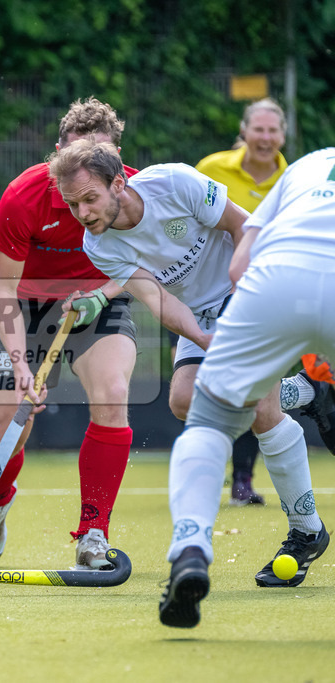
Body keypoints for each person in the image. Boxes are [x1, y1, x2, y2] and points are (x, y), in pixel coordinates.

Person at [46, 140, 330, 627]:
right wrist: (203, 336)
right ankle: (305, 393)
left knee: (259, 408)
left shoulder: (174, 182)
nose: (83, 213)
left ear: (119, 183)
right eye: (73, 205)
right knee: (184, 400)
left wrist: (243, 310)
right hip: (201, 314)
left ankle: (306, 530)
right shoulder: (99, 245)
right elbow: (158, 298)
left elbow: (242, 226)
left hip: (251, 285)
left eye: (90, 198)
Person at [155, 147, 335, 627]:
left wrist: (245, 322)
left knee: (218, 416)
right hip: (229, 303)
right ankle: (310, 391)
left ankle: (192, 550)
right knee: (189, 400)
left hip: (266, 289)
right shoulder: (104, 224)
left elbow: (243, 250)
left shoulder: (304, 166)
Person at [0, 97, 137, 571]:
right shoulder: (23, 197)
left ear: (115, 161)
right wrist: (20, 364)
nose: (85, 170)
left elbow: (142, 262)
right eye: (75, 156)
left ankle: (93, 532)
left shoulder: (133, 190)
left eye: (98, 157)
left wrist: (101, 296)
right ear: (58, 154)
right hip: (26, 307)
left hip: (100, 299)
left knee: (112, 393)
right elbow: (3, 288)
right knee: (9, 426)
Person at [195, 97, 288, 506]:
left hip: (267, 296)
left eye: (273, 130)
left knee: (253, 383)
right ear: (244, 131)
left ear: (283, 134)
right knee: (194, 388)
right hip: (206, 293)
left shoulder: (293, 178)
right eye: (259, 129)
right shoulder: (210, 169)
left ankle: (243, 479)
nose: (265, 138)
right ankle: (206, 464)